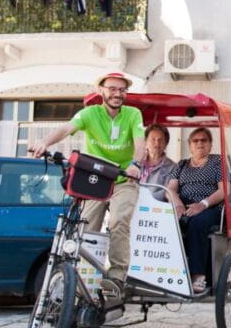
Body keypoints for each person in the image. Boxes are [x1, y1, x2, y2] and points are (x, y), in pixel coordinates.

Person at [30, 72, 145, 302]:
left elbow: (140, 143)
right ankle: (86, 282)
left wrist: (135, 164)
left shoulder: (133, 114)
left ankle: (116, 278)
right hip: (96, 179)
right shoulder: (90, 113)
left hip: (123, 179)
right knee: (87, 228)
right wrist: (44, 142)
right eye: (112, 88)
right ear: (101, 90)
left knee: (118, 222)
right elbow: (66, 129)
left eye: (122, 90)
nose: (117, 94)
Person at [167, 127, 224, 293]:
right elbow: (170, 189)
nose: (200, 143)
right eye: (195, 141)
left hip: (211, 207)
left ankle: (198, 275)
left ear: (210, 144)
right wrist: (178, 204)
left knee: (197, 223)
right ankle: (170, 272)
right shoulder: (182, 164)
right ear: (190, 145)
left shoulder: (217, 162)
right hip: (185, 207)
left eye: (204, 140)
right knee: (165, 223)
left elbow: (223, 191)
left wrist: (203, 204)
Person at [141, 123, 176, 201]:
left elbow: (167, 192)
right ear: (146, 141)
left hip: (155, 207)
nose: (156, 143)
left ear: (166, 144)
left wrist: (144, 200)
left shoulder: (173, 167)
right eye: (153, 139)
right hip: (131, 204)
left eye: (160, 140)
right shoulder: (136, 163)